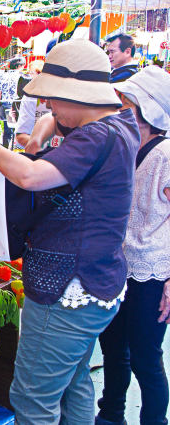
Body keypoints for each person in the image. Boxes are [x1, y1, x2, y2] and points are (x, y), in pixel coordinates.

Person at [0, 39, 139, 424]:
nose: (48, 107)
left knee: (32, 399)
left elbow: (29, 175)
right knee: (74, 381)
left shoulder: (95, 137)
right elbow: (48, 129)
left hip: (68, 288)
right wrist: (41, 137)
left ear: (73, 94)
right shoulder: (120, 123)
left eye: (52, 99)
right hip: (100, 283)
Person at [95, 66, 170, 425]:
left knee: (145, 356)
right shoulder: (123, 145)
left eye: (127, 101)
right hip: (116, 267)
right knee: (113, 350)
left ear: (146, 108)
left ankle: (155, 422)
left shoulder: (166, 154)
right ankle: (110, 415)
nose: (119, 106)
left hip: (153, 272)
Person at [0, 56, 25, 147]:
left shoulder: (2, 76)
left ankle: (6, 150)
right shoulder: (21, 76)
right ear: (20, 66)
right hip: (17, 106)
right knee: (18, 131)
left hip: (6, 105)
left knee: (7, 132)